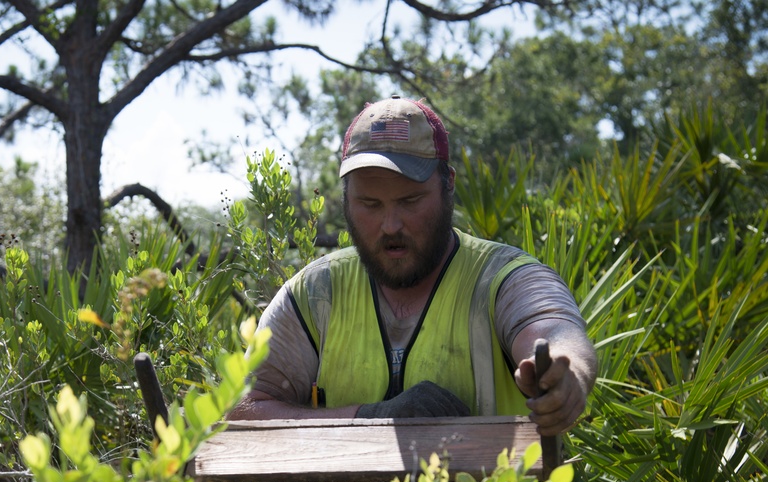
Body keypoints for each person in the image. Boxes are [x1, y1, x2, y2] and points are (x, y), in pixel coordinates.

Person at [230, 96, 596, 435]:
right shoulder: (315, 293)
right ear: (346, 200)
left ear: (448, 185)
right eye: (370, 204)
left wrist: (567, 378)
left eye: (410, 200)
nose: (390, 225)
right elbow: (244, 411)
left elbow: (554, 329)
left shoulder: (503, 278)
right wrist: (371, 419)